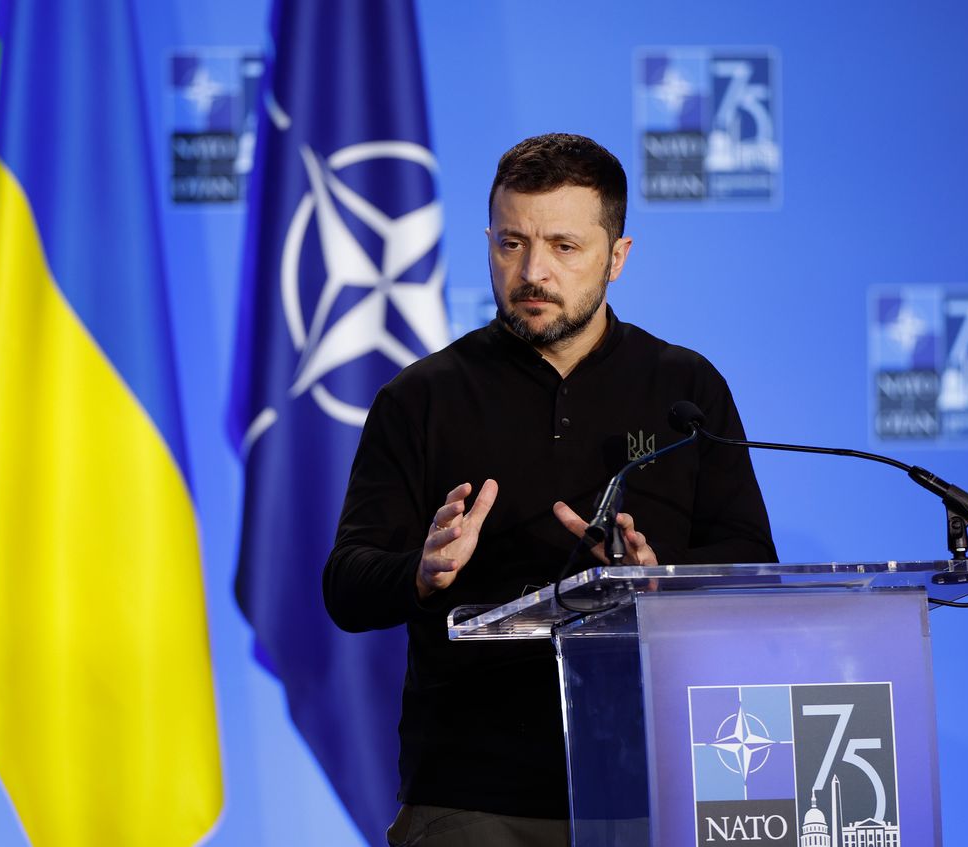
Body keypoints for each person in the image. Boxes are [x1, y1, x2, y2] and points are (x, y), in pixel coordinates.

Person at [323, 133, 777, 847]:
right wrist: (423, 569)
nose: (532, 271)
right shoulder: (422, 398)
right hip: (471, 794)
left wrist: (662, 583)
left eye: (564, 246)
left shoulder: (685, 389)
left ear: (617, 257)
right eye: (511, 243)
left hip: (654, 781)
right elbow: (346, 584)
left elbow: (752, 558)